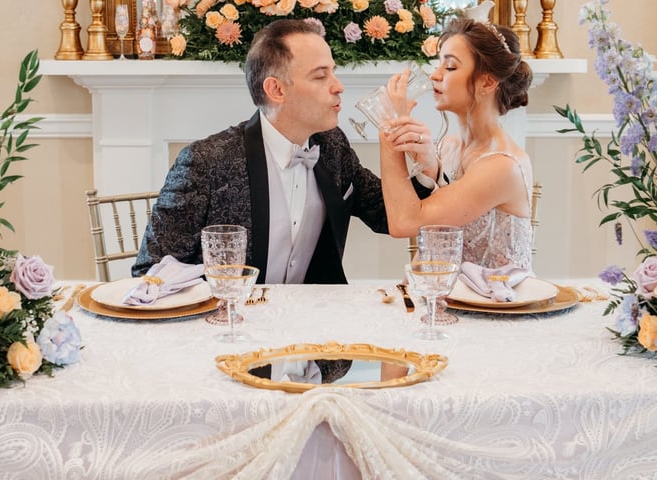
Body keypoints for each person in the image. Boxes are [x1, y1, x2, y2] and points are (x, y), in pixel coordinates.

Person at [133, 19, 406, 284]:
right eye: (321, 75)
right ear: (276, 89)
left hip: (313, 323)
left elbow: (390, 214)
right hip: (227, 321)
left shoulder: (333, 146)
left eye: (333, 72)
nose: (338, 86)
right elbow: (151, 273)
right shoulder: (206, 162)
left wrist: (424, 164)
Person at [379, 18, 534, 270]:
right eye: (439, 64)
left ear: (487, 82)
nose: (435, 75)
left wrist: (390, 130)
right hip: (449, 296)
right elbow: (433, 245)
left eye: (450, 67)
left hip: (496, 305)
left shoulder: (502, 166)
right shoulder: (449, 146)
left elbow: (404, 222)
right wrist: (430, 166)